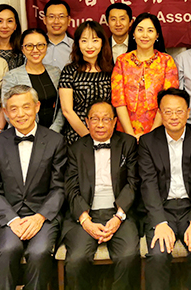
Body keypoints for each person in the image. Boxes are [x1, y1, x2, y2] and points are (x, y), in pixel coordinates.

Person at [0, 85, 67, 290]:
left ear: (37, 107)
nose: (20, 114)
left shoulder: (55, 141)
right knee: (8, 248)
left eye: (26, 107)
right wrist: (12, 220)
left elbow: (59, 188)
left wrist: (40, 217)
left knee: (39, 252)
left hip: (43, 215)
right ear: (5, 112)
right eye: (13, 109)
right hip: (8, 215)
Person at [137, 88, 191, 290]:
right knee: (158, 254)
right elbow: (148, 185)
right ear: (160, 113)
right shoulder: (147, 142)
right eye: (168, 111)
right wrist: (159, 222)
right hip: (162, 209)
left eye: (179, 111)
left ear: (188, 112)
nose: (174, 117)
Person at [63, 100, 140, 290]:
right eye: (95, 119)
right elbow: (71, 187)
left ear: (114, 122)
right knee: (76, 260)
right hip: (86, 213)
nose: (100, 124)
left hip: (120, 211)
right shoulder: (75, 149)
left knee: (128, 256)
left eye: (106, 119)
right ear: (87, 122)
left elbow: (133, 183)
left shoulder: (128, 143)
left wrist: (118, 217)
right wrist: (85, 220)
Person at [112, 13, 179, 140]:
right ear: (133, 33)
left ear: (157, 35)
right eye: (140, 30)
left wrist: (151, 135)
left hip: (158, 131)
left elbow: (167, 101)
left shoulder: (166, 61)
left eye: (150, 31)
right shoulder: (122, 61)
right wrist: (130, 135)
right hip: (125, 132)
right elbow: (118, 101)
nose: (144, 35)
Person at [59, 21, 114, 145]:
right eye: (84, 41)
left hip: (107, 135)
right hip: (77, 137)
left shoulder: (110, 71)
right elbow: (67, 110)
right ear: (78, 43)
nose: (89, 46)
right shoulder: (70, 71)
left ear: (102, 42)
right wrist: (90, 137)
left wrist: (102, 136)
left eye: (95, 40)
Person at [2, 28, 65, 133]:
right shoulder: (12, 76)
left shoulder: (56, 72)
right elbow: (8, 111)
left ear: (46, 47)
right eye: (29, 46)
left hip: (54, 134)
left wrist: (53, 132)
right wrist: (33, 132)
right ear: (22, 49)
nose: (35, 50)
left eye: (40, 45)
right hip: (23, 133)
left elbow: (62, 106)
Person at [0, 4, 25, 70]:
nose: (5, 26)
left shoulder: (24, 50)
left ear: (15, 25)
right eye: (0, 21)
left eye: (9, 21)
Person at [43, 0, 74, 70]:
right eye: (51, 17)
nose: (56, 21)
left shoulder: (75, 47)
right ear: (44, 20)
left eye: (61, 16)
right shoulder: (35, 47)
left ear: (69, 20)